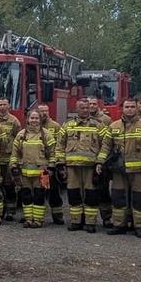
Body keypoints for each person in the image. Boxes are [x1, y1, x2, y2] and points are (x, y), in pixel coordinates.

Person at [60, 97, 111, 234]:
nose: (85, 110)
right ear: (77, 109)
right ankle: (76, 221)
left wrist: (100, 162)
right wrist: (60, 164)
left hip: (91, 167)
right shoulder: (67, 125)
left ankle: (90, 223)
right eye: (82, 108)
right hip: (72, 167)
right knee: (73, 193)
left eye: (87, 108)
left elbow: (105, 145)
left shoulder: (98, 125)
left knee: (91, 195)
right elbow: (60, 145)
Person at [106, 97, 141, 238]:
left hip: (139, 171)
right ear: (122, 109)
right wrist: (100, 163)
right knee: (118, 197)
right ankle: (119, 225)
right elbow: (106, 146)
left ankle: (139, 227)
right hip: (119, 170)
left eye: (132, 107)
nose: (130, 109)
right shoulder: (113, 126)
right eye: (127, 107)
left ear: (136, 108)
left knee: (139, 199)